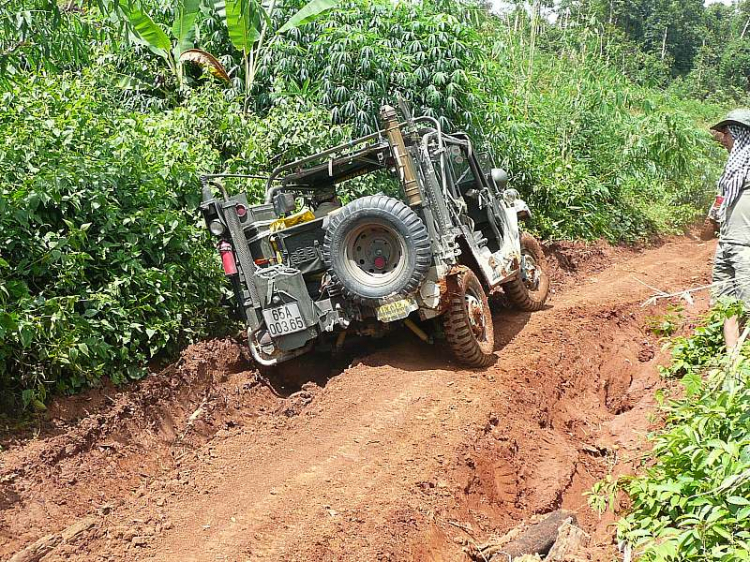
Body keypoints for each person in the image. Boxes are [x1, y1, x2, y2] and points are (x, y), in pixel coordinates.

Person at [710, 109, 750, 348]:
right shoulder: (733, 170)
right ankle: (732, 363)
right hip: (726, 245)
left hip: (746, 249)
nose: (723, 138)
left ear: (739, 133)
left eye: (726, 132)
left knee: (747, 307)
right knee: (727, 306)